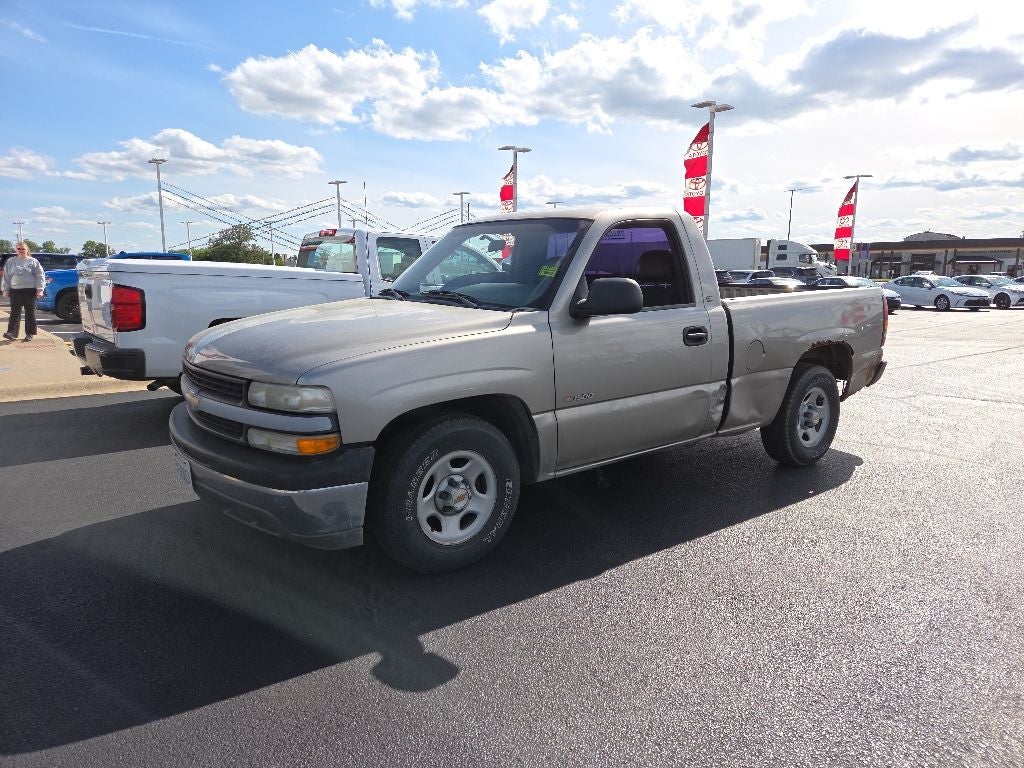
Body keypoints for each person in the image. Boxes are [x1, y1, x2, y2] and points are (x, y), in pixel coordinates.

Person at [2, 241, 45, 342]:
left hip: (30, 291)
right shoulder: (11, 261)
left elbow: (40, 275)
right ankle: (12, 333)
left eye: (23, 249)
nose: (21, 250)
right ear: (16, 250)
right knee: (14, 312)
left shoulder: (33, 261)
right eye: (19, 249)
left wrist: (40, 289)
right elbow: (6, 276)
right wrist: (5, 289)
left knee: (30, 312)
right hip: (15, 291)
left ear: (27, 250)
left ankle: (30, 334)